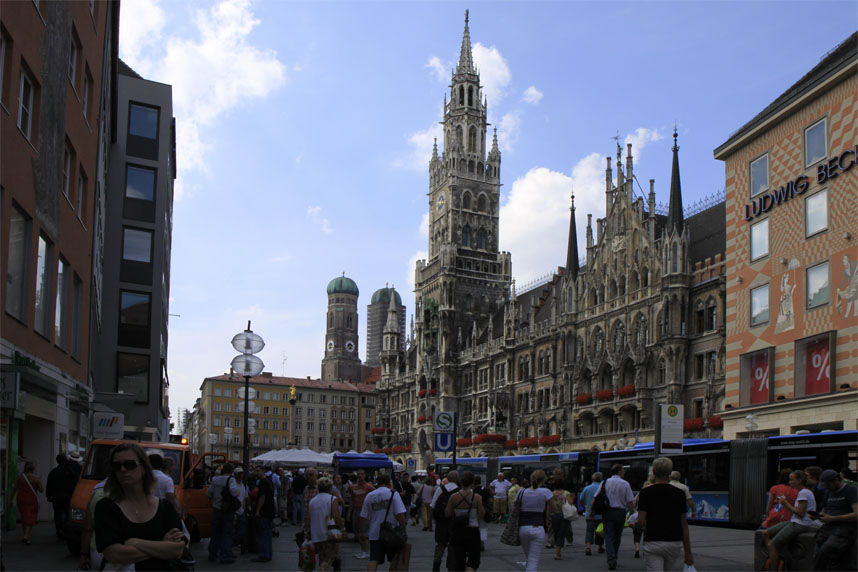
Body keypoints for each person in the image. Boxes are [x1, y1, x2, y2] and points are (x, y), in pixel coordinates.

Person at [93, 443, 185, 570]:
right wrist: (162, 545)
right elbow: (113, 554)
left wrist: (136, 543)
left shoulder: (164, 507)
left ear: (143, 468)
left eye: (130, 465)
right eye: (117, 466)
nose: (123, 469)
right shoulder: (106, 507)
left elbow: (177, 550)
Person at [634, 457, 694, 571]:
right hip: (673, 543)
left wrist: (635, 524)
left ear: (654, 472)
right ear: (669, 473)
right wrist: (688, 553)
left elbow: (641, 522)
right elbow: (684, 525)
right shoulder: (680, 494)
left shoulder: (645, 493)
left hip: (653, 541)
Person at [762, 470, 817, 570]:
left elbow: (800, 513)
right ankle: (775, 555)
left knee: (771, 545)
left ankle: (773, 568)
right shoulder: (803, 492)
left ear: (799, 480)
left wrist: (785, 503)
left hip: (800, 524)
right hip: (793, 521)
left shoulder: (804, 493)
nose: (789, 482)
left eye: (791, 480)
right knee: (765, 533)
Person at [360, 473, 407, 572]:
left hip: (375, 533)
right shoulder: (393, 494)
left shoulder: (369, 495)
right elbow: (400, 515)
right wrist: (403, 529)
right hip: (392, 533)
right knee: (394, 560)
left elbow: (363, 516)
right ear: (388, 483)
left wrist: (361, 532)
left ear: (377, 483)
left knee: (373, 560)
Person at [813, 469, 857, 571]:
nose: (827, 488)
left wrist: (833, 518)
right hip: (828, 527)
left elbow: (856, 514)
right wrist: (819, 516)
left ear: (836, 480)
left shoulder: (851, 490)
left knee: (826, 550)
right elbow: (824, 510)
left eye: (828, 485)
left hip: (845, 529)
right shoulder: (828, 492)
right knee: (817, 552)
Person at [444, 470, 484, 572]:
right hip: (472, 531)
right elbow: (482, 514)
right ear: (472, 483)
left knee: (459, 561)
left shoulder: (453, 497)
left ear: (461, 482)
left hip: (457, 532)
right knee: (473, 560)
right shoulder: (477, 497)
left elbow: (447, 513)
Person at [515, 469, 552, 572]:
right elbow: (554, 508)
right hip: (538, 528)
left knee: (529, 559)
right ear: (544, 479)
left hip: (523, 528)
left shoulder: (521, 491)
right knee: (533, 561)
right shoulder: (546, 492)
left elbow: (515, 509)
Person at [206, 461, 241, 563]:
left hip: (216, 509)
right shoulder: (231, 480)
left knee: (215, 532)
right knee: (227, 532)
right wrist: (238, 493)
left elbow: (209, 493)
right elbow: (234, 492)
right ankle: (225, 555)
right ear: (231, 471)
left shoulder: (215, 479)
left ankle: (212, 554)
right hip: (227, 510)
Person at [602, 464, 635, 571]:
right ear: (619, 472)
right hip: (620, 512)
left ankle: (611, 559)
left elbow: (596, 497)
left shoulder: (605, 482)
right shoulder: (625, 483)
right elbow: (630, 501)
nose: (624, 472)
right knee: (617, 536)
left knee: (609, 536)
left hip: (607, 512)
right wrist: (631, 513)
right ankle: (614, 556)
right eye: (623, 471)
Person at [309, 477, 344, 571]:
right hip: (329, 533)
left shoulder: (313, 501)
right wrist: (342, 528)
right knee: (330, 557)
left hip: (316, 534)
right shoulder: (332, 499)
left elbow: (308, 517)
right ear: (330, 488)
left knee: (322, 557)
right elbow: (336, 515)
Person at [431, 470, 461, 572]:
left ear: (447, 479)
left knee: (440, 545)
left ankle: (436, 566)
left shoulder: (440, 489)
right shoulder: (460, 491)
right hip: (455, 523)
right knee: (453, 546)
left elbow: (433, 505)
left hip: (441, 522)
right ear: (457, 479)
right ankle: (451, 567)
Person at [546, 469, 576, 560]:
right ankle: (557, 553)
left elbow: (548, 507)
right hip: (564, 515)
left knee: (556, 532)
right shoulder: (566, 493)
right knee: (561, 533)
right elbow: (571, 502)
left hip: (554, 515)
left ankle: (553, 544)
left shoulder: (551, 493)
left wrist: (547, 517)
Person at [46, 454, 75, 539]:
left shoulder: (53, 472)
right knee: (67, 513)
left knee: (57, 514)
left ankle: (59, 529)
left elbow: (49, 485)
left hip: (56, 497)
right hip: (68, 497)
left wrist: (48, 495)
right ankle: (66, 529)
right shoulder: (70, 471)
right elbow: (74, 483)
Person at [15, 461, 44, 545]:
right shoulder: (36, 478)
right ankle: (26, 536)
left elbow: (14, 488)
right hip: (31, 499)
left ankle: (25, 535)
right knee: (30, 517)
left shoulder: (20, 477)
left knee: (24, 515)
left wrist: (10, 500)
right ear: (33, 468)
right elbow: (41, 490)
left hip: (21, 498)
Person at [350, 469, 376, 559]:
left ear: (364, 475)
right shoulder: (353, 487)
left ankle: (366, 551)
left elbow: (376, 495)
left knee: (364, 532)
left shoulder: (369, 486)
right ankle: (363, 550)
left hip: (365, 512)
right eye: (358, 474)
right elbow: (352, 500)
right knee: (357, 531)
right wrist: (349, 513)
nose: (360, 476)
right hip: (356, 510)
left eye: (361, 474)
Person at [252, 465, 276, 563]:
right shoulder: (270, 481)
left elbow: (262, 497)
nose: (255, 473)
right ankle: (268, 554)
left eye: (257, 471)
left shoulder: (262, 482)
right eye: (255, 471)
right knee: (268, 534)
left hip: (264, 511)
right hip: (270, 511)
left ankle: (263, 555)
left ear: (263, 471)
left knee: (263, 534)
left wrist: (258, 510)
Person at [579, 472, 604, 556]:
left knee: (589, 530)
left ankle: (588, 546)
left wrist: (584, 507)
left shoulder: (587, 488)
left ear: (593, 479)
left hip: (589, 513)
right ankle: (600, 547)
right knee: (600, 530)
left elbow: (581, 499)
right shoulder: (603, 488)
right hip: (600, 514)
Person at [632, 480, 652, 558]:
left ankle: (637, 548)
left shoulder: (639, 494)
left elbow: (634, 504)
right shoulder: (652, 494)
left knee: (637, 533)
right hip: (648, 517)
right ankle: (644, 550)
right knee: (646, 534)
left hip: (639, 515)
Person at [233, 467, 249, 555]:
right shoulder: (233, 484)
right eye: (239, 474)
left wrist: (247, 506)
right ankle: (232, 544)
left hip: (241, 511)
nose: (240, 475)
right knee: (234, 530)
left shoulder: (243, 485)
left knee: (241, 531)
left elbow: (245, 497)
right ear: (235, 475)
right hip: (235, 511)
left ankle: (234, 543)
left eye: (241, 474)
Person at [473, 475, 492, 551]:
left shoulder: (472, 490)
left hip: (475, 510)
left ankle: (476, 542)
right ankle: (482, 541)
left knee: (475, 527)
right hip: (484, 510)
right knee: (483, 527)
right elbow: (490, 501)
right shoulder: (486, 490)